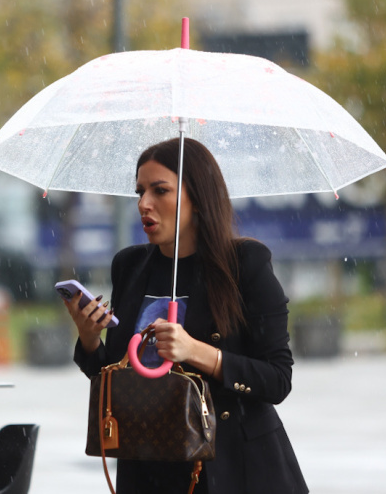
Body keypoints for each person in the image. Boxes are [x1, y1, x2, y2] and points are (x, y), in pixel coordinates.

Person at [63, 138, 308, 494]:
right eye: (140, 192)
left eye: (160, 190)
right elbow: (118, 381)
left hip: (233, 468)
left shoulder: (245, 265)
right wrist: (89, 339)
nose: (144, 203)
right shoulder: (130, 265)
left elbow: (277, 380)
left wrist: (195, 351)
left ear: (198, 196)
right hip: (148, 465)